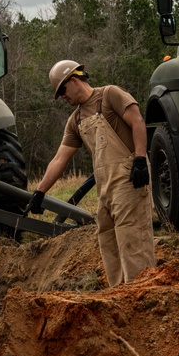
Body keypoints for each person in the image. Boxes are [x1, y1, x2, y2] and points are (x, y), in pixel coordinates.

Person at [25, 61, 156, 286]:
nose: (62, 98)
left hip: (129, 179)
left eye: (62, 91)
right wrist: (39, 192)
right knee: (108, 239)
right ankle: (120, 295)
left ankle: (142, 293)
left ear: (74, 81)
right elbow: (59, 159)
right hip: (105, 188)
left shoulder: (110, 95)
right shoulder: (74, 120)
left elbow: (137, 122)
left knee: (132, 239)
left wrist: (140, 160)